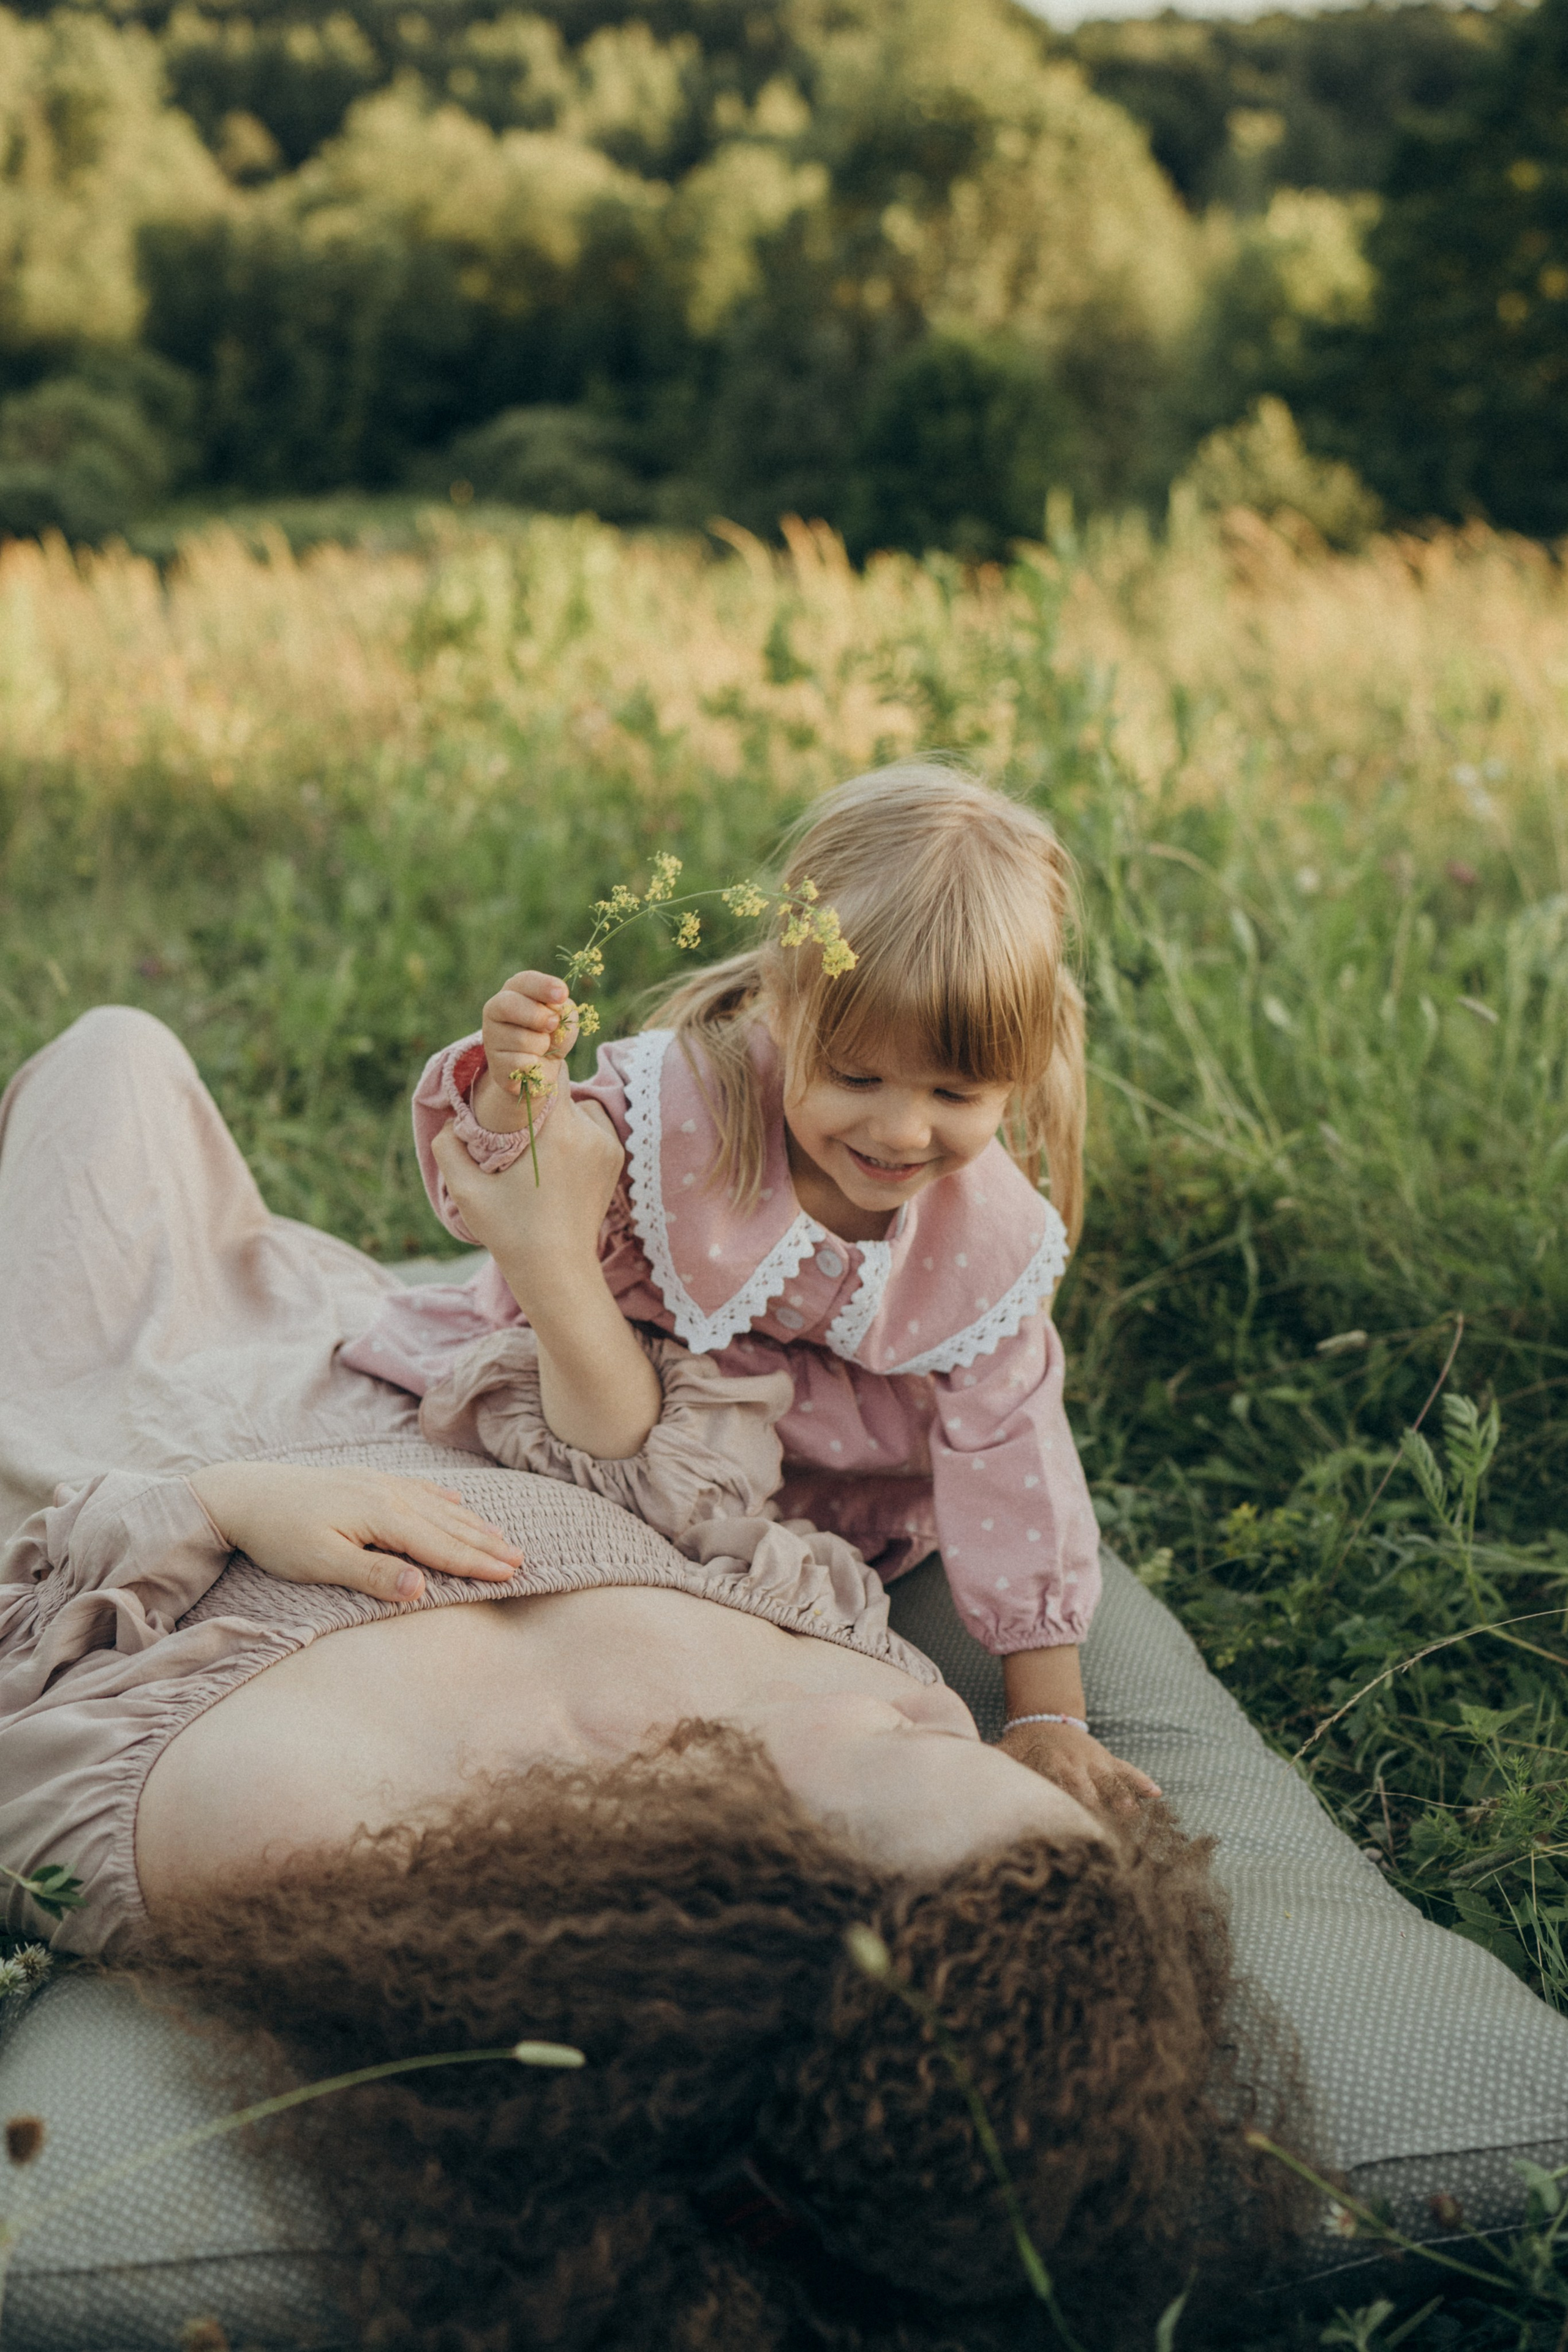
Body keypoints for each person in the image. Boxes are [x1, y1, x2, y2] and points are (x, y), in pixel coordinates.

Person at [0, 1001, 1293, 2352]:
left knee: (110, 1064)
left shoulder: (332, 1836)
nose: (931, 1705)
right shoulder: (837, 1678)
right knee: (125, 1057)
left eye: (918, 1758)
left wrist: (218, 1502)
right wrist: (554, 1261)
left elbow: (29, 1692)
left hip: (113, 1447)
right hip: (401, 1361)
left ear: (738, 1911)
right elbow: (671, 1477)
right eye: (970, 1741)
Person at [342, 763, 1158, 1812]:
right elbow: (520, 1191)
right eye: (858, 1077)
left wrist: (1047, 1715)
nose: (902, 1131)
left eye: (956, 1093)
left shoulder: (983, 1243)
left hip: (808, 1495)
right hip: (611, 1421)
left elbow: (1016, 1457)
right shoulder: (689, 1103)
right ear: (782, 1005)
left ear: (1022, 1070)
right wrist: (513, 1087)